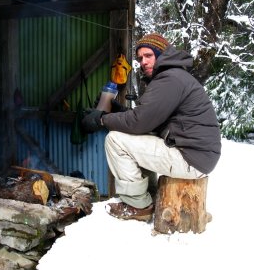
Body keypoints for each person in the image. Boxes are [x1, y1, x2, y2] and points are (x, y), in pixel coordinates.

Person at [81, 33, 222, 222]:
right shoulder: (174, 76)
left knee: (115, 139)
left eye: (148, 55)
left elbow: (139, 122)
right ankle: (150, 195)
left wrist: (102, 119)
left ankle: (137, 205)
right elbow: (150, 122)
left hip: (192, 158)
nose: (143, 62)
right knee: (137, 136)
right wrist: (119, 110)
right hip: (197, 155)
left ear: (162, 54)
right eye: (140, 58)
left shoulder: (170, 79)